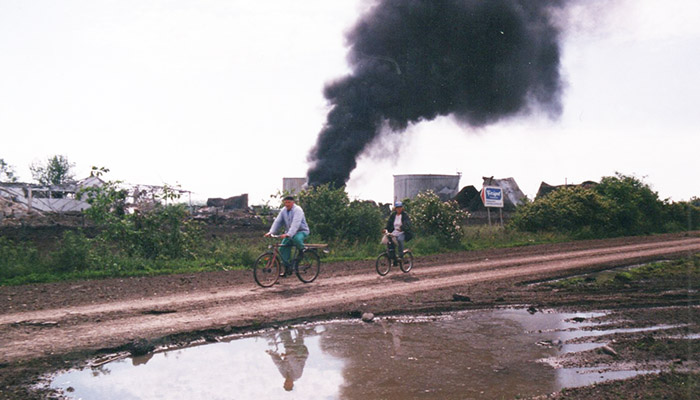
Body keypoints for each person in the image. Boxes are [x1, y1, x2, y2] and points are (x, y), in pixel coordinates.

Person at [265, 195, 310, 275]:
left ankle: (302, 251)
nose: (287, 204)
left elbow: (296, 224)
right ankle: (287, 269)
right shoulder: (283, 211)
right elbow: (277, 222)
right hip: (289, 233)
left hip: (301, 231)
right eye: (285, 202)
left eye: (289, 202)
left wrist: (289, 234)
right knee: (282, 249)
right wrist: (271, 232)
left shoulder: (298, 210)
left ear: (293, 203)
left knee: (297, 239)